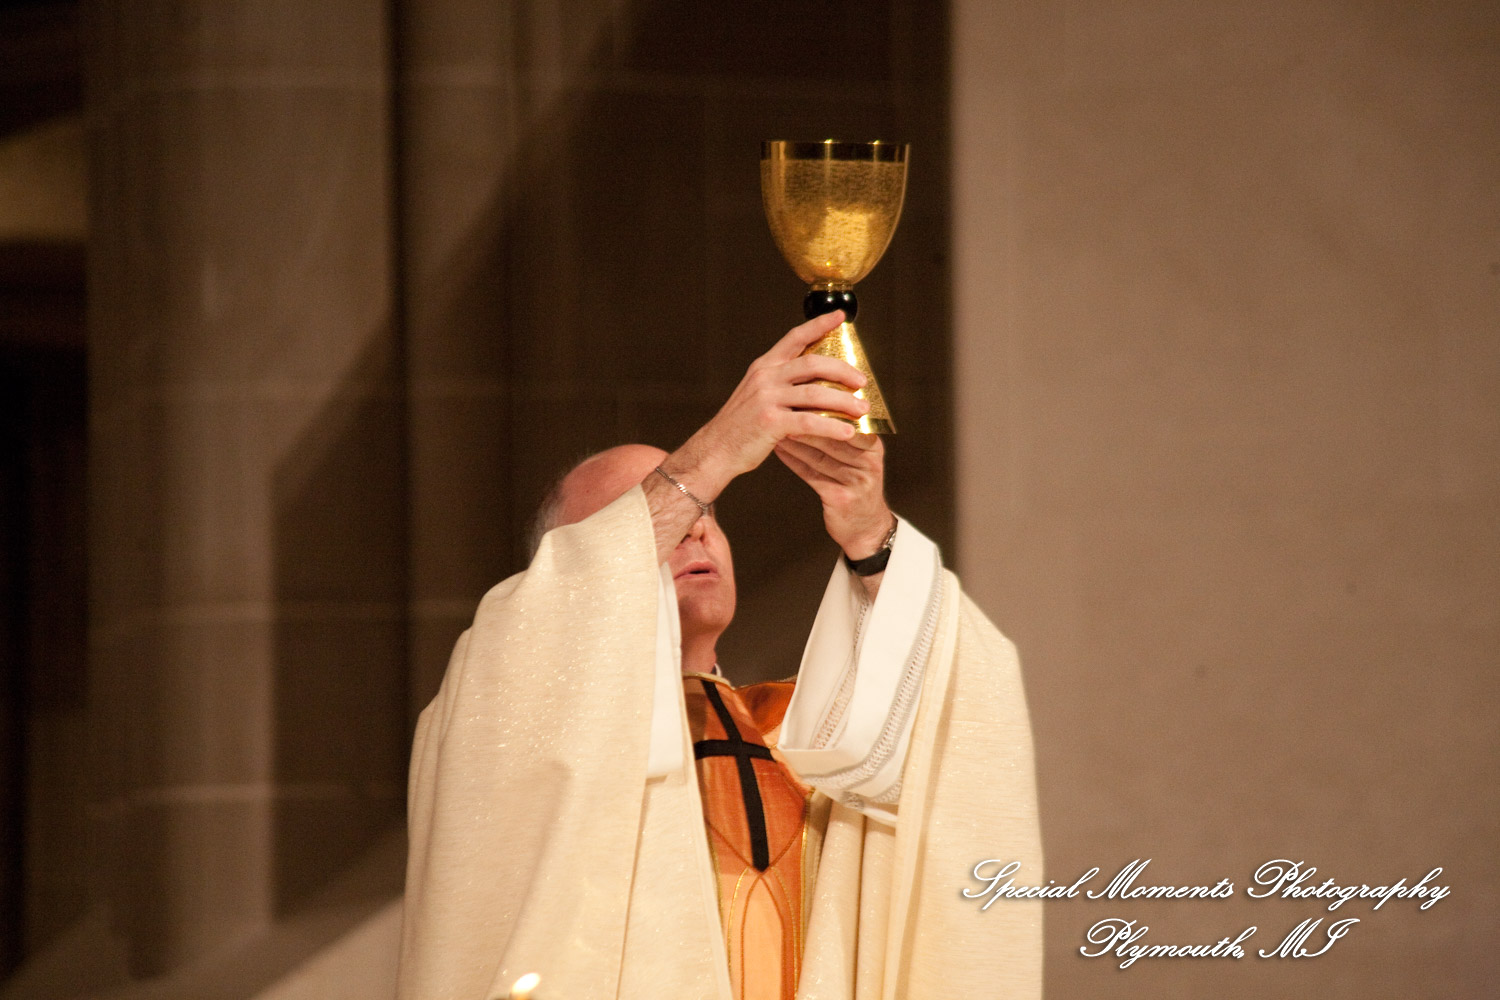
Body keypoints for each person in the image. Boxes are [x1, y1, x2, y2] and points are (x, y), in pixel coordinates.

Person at [397, 311, 1043, 1000]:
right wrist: (709, 458)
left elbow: (958, 709)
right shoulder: (491, 709)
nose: (696, 527)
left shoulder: (818, 735)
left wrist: (871, 534)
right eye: (655, 511)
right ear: (568, 577)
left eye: (707, 512)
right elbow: (519, 646)